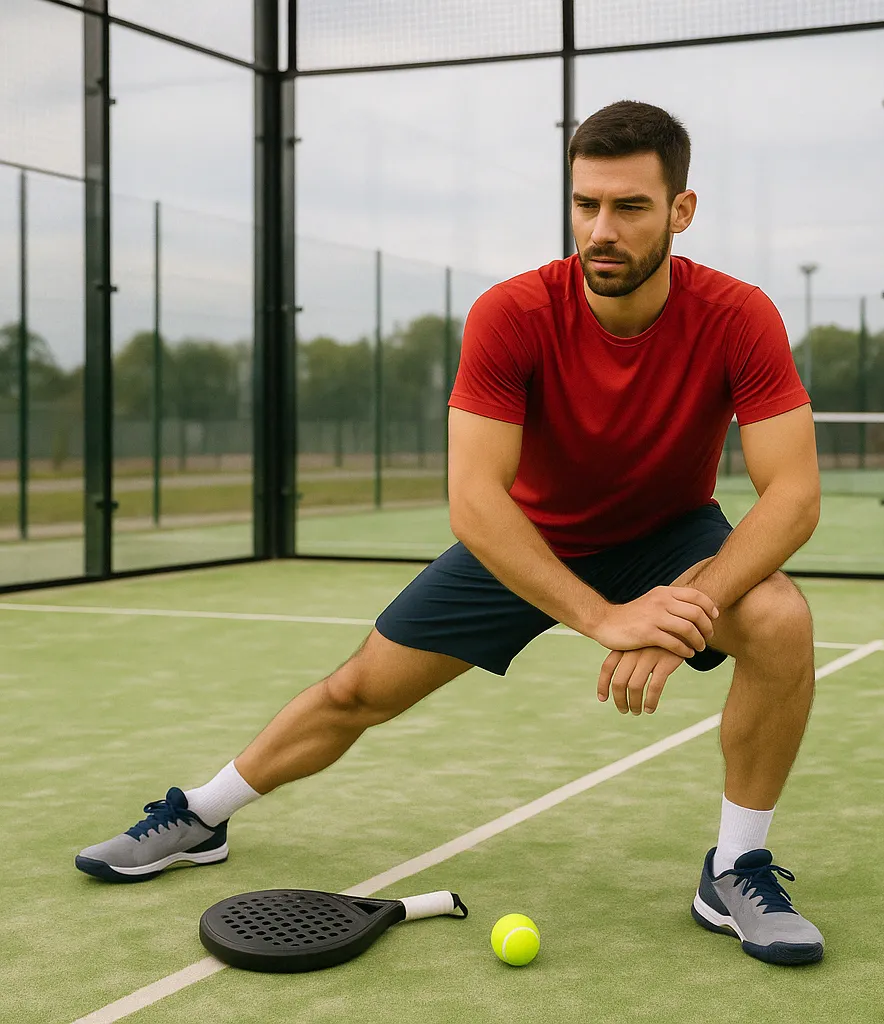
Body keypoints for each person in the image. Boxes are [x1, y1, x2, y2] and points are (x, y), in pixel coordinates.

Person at [77, 100, 823, 966]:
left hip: (670, 535)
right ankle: (202, 816)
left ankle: (734, 869)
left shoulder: (738, 314)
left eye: (630, 207)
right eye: (586, 204)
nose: (602, 230)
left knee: (779, 619)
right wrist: (607, 619)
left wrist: (688, 604)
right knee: (358, 692)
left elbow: (794, 495)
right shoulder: (513, 313)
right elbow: (474, 499)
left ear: (680, 211)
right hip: (530, 537)